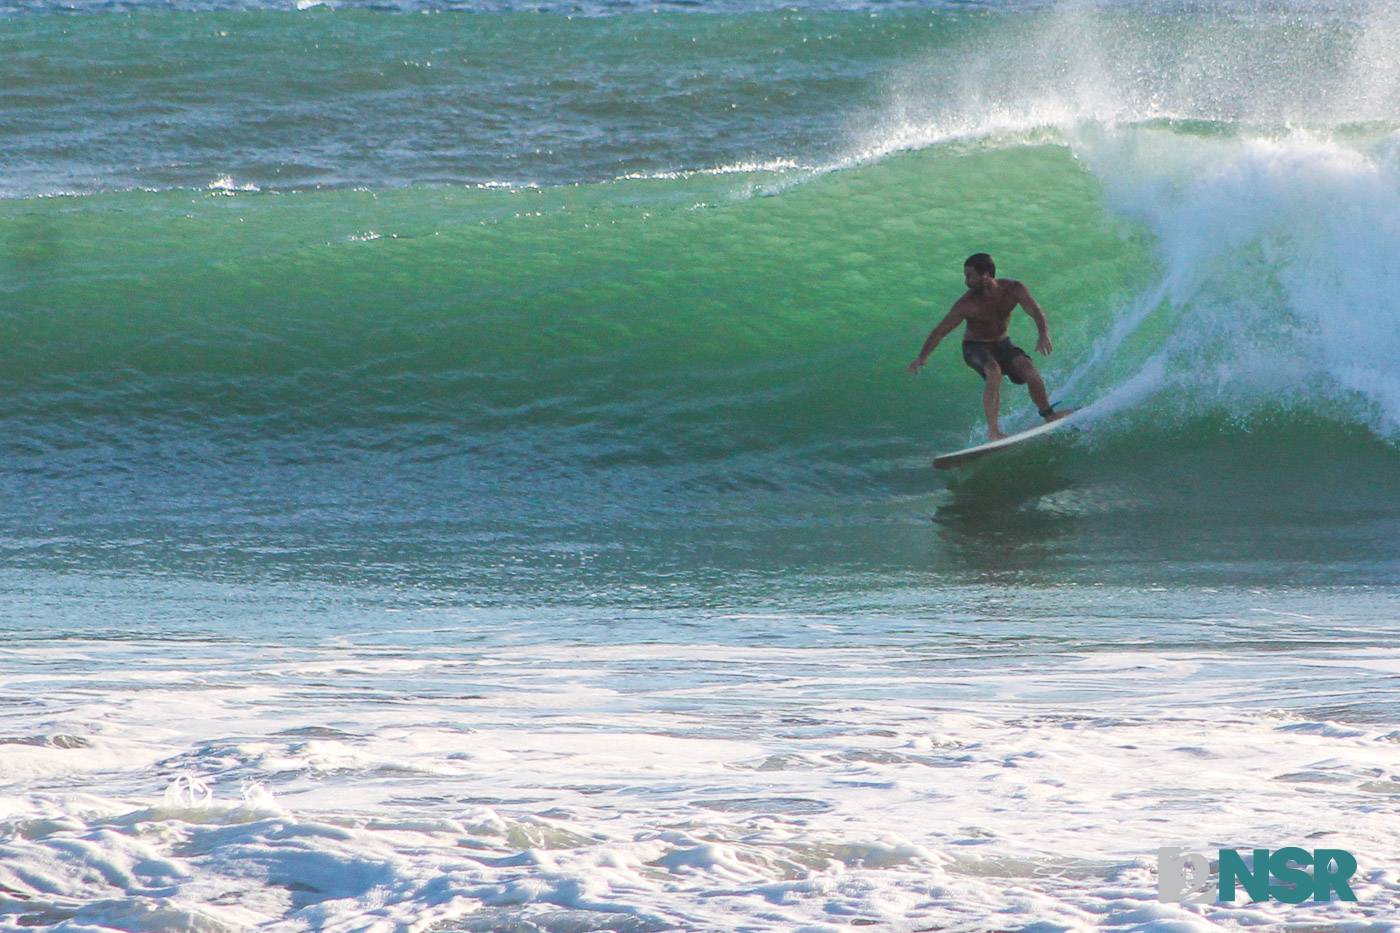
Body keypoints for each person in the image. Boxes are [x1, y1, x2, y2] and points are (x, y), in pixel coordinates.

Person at [906, 253, 1072, 441]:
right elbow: (940, 331)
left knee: (1029, 369)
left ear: (985, 275)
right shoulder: (967, 304)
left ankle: (1049, 414)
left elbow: (1035, 311)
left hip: (1003, 343)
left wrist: (1043, 334)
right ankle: (994, 432)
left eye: (969, 276)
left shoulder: (1013, 289)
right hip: (975, 347)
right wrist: (922, 357)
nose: (966, 282)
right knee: (994, 371)